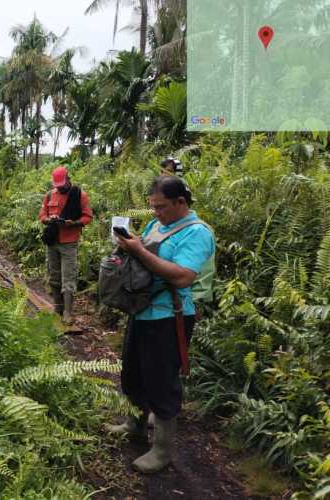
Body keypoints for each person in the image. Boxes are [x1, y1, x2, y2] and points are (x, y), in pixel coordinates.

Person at [108, 176, 215, 474]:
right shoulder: (157, 224)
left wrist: (139, 251)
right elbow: (143, 249)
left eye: (162, 207)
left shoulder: (196, 233)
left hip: (170, 317)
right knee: (133, 373)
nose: (156, 213)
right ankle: (135, 424)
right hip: (141, 312)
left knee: (161, 383)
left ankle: (163, 450)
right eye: (152, 207)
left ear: (181, 202)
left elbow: (182, 276)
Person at [38, 166, 93, 325]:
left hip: (69, 242)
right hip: (53, 241)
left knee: (68, 276)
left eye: (62, 184)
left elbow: (88, 216)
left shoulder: (79, 195)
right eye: (58, 185)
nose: (60, 187)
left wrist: (74, 223)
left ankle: (68, 312)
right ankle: (58, 308)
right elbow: (42, 214)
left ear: (68, 179)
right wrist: (48, 219)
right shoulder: (50, 195)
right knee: (54, 276)